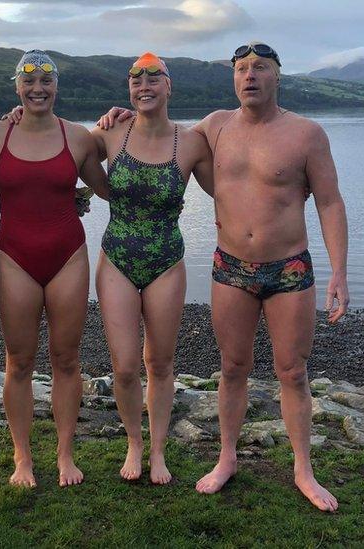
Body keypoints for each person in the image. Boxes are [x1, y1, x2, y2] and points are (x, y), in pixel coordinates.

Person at [99, 41, 348, 511]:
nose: (250, 75)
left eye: (261, 68)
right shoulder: (213, 128)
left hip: (289, 266)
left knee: (292, 372)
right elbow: (160, 133)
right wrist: (124, 114)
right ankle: (226, 458)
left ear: (278, 76)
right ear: (233, 78)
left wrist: (340, 271)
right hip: (230, 266)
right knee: (232, 368)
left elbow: (330, 202)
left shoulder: (307, 134)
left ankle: (303, 471)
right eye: (241, 69)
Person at [0, 50, 109, 488]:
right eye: (29, 81)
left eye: (47, 81)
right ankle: (22, 458)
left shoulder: (77, 137)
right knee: (18, 362)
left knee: (67, 360)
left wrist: (131, 126)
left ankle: (65, 454)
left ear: (57, 87)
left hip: (67, 255)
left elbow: (108, 187)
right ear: (16, 86)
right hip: (15, 256)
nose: (38, 89)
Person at [88, 53, 214, 483]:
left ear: (169, 86)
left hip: (167, 261)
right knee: (124, 366)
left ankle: (158, 449)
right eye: (136, 79)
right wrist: (18, 115)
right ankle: (134, 443)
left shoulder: (193, 141)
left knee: (159, 362)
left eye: (153, 78)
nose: (144, 86)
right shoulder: (110, 133)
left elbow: (230, 188)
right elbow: (56, 153)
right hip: (116, 258)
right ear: (128, 89)